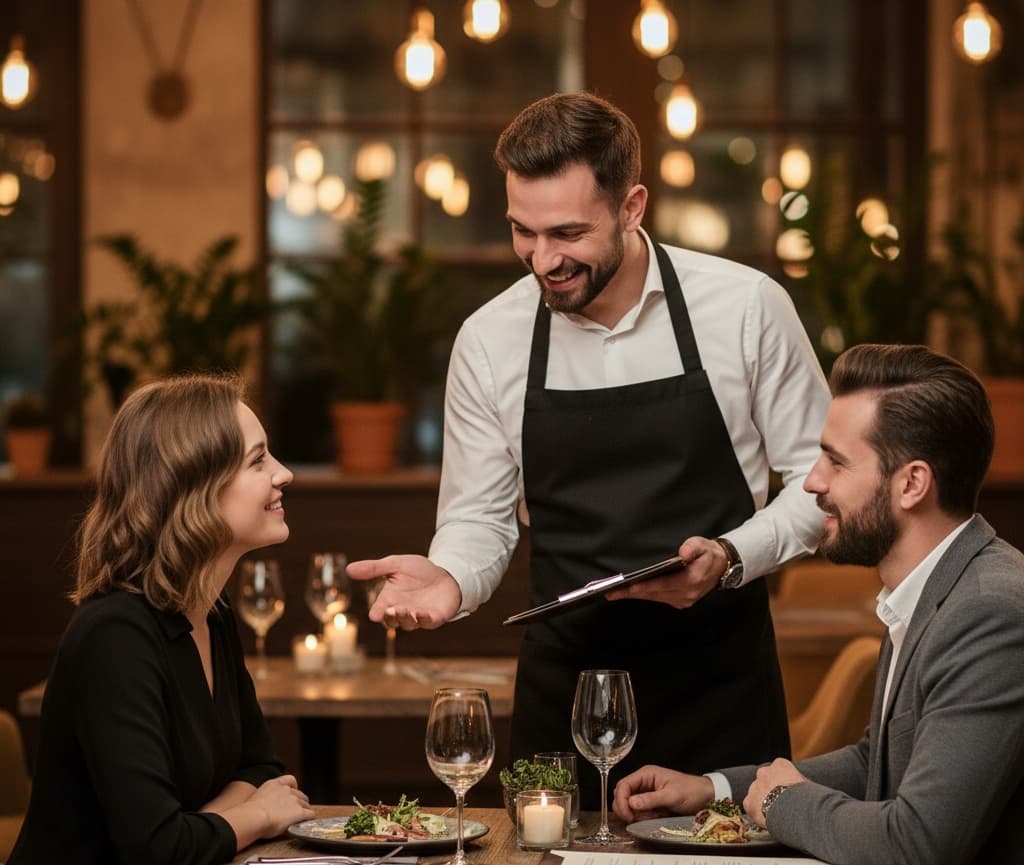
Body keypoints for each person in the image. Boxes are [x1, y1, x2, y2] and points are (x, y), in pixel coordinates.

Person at [347, 91, 831, 805]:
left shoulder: (747, 309)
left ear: (633, 207)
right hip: (563, 697)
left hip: (721, 690)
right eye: (523, 231)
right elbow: (480, 518)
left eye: (567, 233)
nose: (542, 261)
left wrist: (731, 556)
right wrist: (450, 577)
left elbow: (820, 485)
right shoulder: (489, 340)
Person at [613, 343, 1024, 865]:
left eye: (836, 460)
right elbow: (877, 762)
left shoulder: (989, 611)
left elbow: (919, 843)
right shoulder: (938, 586)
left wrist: (785, 801)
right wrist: (714, 789)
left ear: (912, 483)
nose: (812, 482)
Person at [9, 375, 315, 865]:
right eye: (257, 461)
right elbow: (157, 848)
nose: (284, 475)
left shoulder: (211, 612)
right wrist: (255, 817)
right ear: (194, 488)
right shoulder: (115, 635)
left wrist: (199, 830)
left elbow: (262, 768)